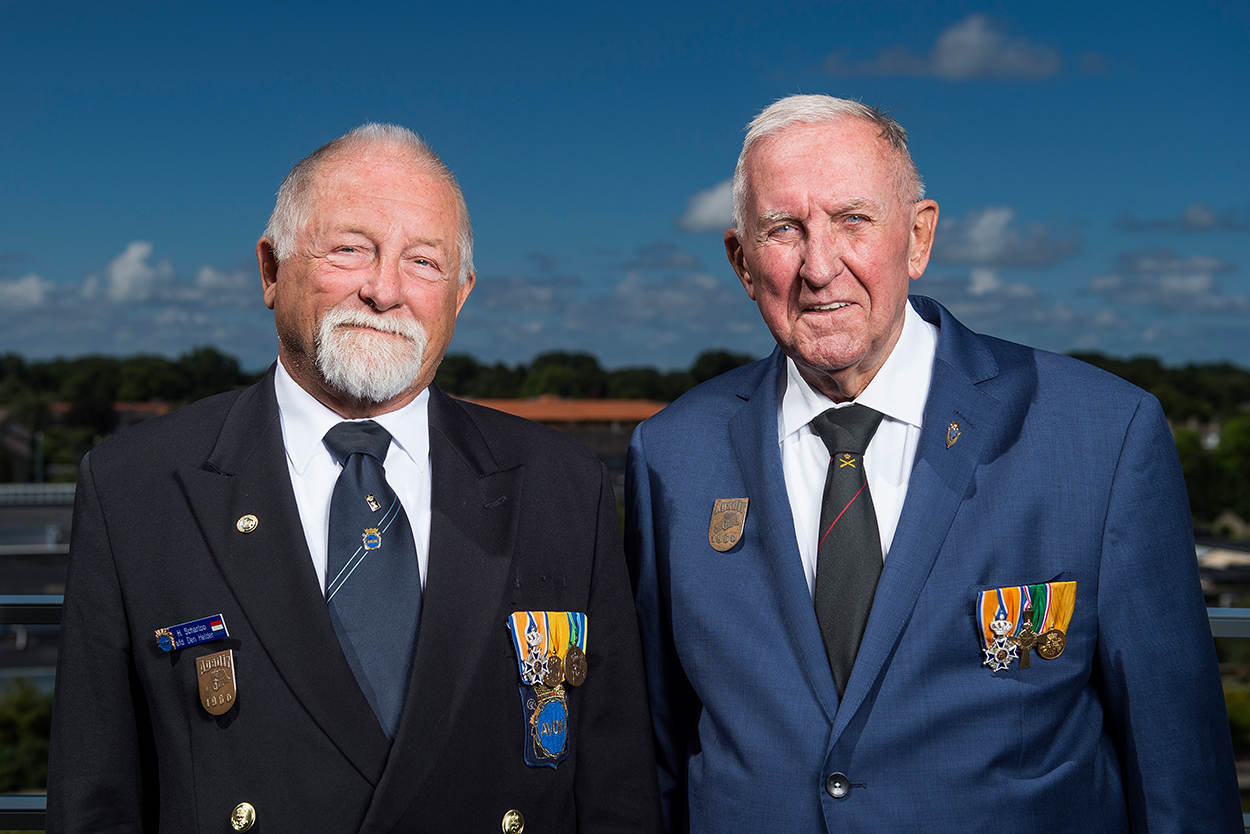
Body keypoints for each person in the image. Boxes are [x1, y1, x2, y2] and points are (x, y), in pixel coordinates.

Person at [625, 95, 1241, 832]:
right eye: (783, 229)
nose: (819, 266)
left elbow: (1180, 777)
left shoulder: (1103, 436)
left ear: (918, 237)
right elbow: (652, 758)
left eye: (853, 220)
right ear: (742, 262)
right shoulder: (671, 456)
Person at [48, 123, 660, 832]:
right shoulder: (136, 488)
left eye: (423, 261)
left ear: (460, 295)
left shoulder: (564, 487)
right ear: (271, 269)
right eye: (350, 249)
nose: (384, 290)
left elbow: (616, 793)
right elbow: (95, 800)